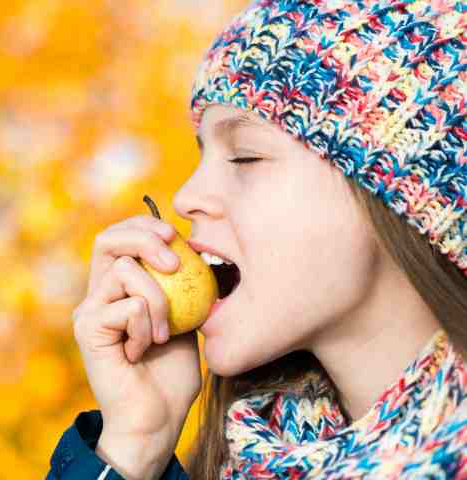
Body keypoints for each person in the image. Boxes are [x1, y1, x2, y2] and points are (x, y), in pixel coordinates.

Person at [46, 0, 467, 478]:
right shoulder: (243, 456)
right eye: (201, 156)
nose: (185, 198)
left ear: (403, 189)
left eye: (245, 157)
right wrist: (135, 447)